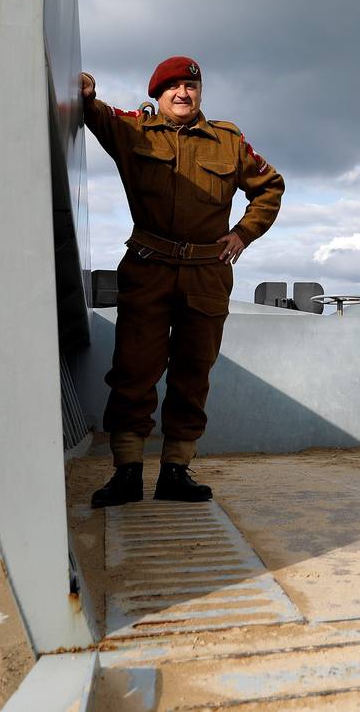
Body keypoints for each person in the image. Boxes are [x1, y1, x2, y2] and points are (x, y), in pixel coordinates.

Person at [80, 57, 284, 507]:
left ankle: (176, 471)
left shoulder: (228, 142)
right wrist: (86, 91)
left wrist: (243, 233)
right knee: (134, 370)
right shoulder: (134, 131)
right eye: (172, 87)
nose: (182, 94)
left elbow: (270, 186)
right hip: (148, 267)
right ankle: (127, 472)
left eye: (190, 86)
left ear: (200, 92)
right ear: (157, 95)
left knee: (193, 374)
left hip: (207, 275)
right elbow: (96, 114)